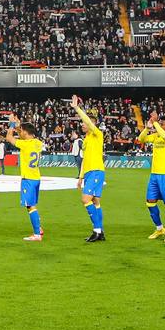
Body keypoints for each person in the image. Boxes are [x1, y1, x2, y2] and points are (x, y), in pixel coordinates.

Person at [138, 111, 165, 243]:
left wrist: (155, 123)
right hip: (154, 174)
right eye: (160, 123)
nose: (161, 125)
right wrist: (147, 127)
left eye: (163, 124)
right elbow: (141, 139)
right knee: (150, 202)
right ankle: (159, 228)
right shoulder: (156, 136)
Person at [70, 96, 106, 242]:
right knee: (96, 201)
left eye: (85, 122)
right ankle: (100, 231)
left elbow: (90, 124)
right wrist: (80, 177)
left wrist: (77, 108)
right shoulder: (86, 140)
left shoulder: (97, 134)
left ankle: (96, 231)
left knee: (85, 199)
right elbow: (84, 159)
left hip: (97, 170)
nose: (82, 124)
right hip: (90, 172)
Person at [5, 119, 44, 242]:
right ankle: (39, 228)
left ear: (25, 133)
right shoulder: (38, 143)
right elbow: (23, 135)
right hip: (36, 177)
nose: (19, 133)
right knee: (32, 205)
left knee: (30, 206)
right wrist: (18, 127)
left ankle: (37, 234)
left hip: (28, 178)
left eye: (21, 131)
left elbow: (8, 138)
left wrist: (12, 125)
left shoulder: (25, 144)